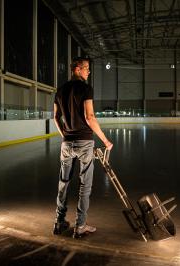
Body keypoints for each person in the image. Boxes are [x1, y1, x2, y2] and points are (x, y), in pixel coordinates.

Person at [52, 57, 113, 238]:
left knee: (63, 183)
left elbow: (55, 117)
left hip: (67, 143)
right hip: (85, 142)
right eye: (86, 68)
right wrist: (105, 140)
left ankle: (59, 222)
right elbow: (90, 117)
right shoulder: (86, 89)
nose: (89, 71)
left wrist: (65, 135)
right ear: (77, 69)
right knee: (85, 185)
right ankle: (80, 226)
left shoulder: (60, 90)